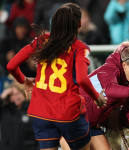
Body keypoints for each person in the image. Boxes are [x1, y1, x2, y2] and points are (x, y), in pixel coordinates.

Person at [6, 3, 106, 150]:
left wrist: (24, 80)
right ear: (78, 24)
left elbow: (11, 66)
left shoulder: (41, 40)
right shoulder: (79, 48)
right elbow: (81, 79)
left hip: (41, 112)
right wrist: (97, 97)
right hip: (68, 113)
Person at [81, 44, 129, 150]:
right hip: (71, 120)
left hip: (91, 126)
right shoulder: (108, 70)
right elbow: (108, 89)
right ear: (125, 65)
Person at [0, 84, 38, 150]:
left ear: (24, 94)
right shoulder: (4, 110)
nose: (15, 97)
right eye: (12, 95)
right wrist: (3, 95)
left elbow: (39, 134)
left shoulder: (33, 110)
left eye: (18, 93)